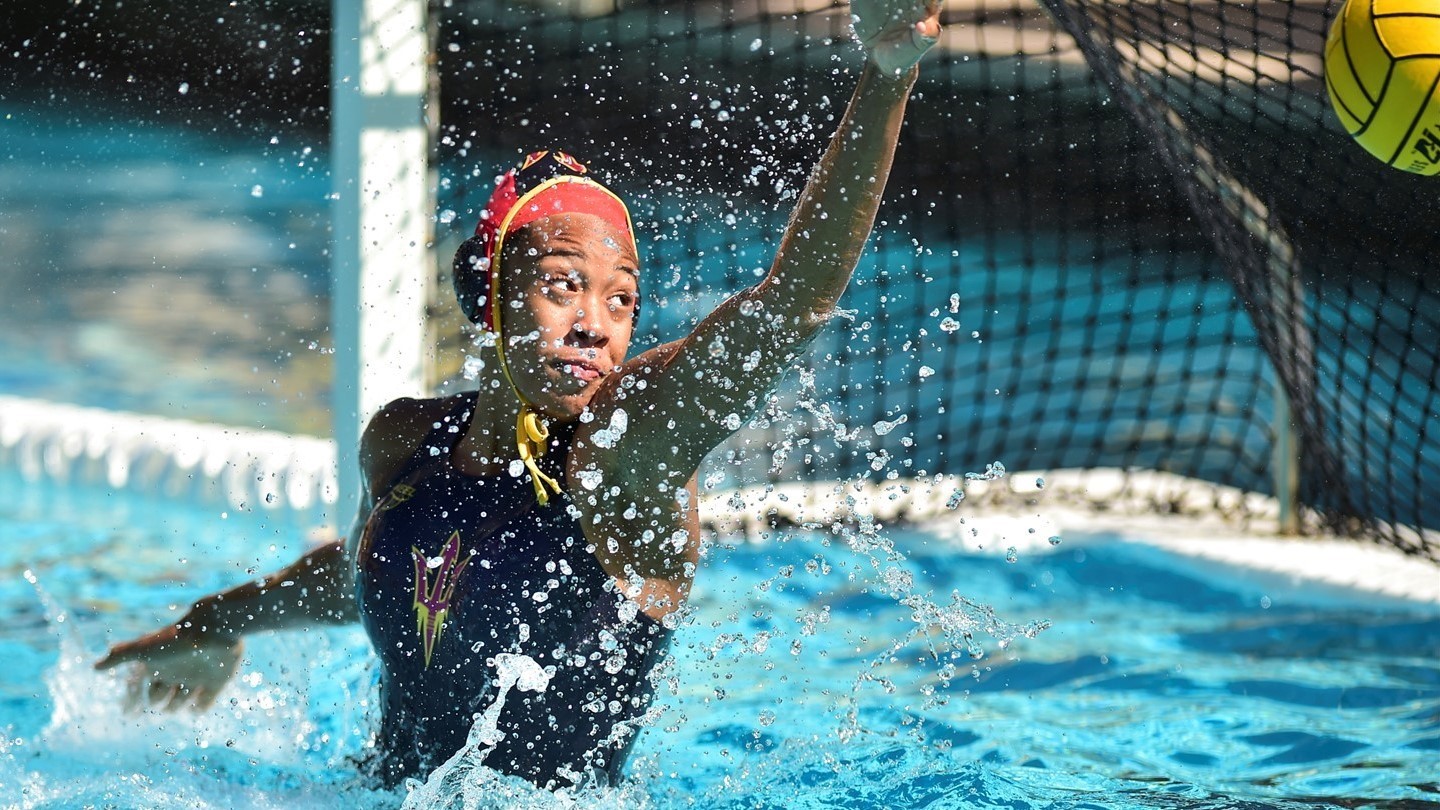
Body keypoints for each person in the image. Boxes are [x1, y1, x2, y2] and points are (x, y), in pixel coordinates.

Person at [95, 0, 941, 791]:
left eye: (621, 299)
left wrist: (888, 73)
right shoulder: (404, 442)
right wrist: (216, 621)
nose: (595, 325)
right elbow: (362, 573)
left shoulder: (625, 459)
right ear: (492, 297)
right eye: (562, 286)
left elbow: (790, 302)